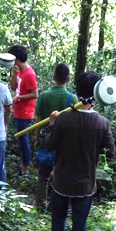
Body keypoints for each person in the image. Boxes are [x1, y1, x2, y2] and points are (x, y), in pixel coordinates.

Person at [45, 71, 115, 231]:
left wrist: (51, 125)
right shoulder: (102, 123)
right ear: (98, 93)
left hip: (62, 180)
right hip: (85, 183)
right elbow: (111, 152)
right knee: (80, 219)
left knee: (58, 215)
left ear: (76, 92)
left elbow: (49, 145)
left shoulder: (63, 119)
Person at [34, 63, 78, 210]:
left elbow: (38, 121)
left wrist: (36, 138)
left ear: (53, 77)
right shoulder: (73, 99)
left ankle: (40, 204)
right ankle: (57, 205)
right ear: (68, 79)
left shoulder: (44, 96)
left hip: (46, 140)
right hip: (64, 144)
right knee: (61, 176)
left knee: (43, 176)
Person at [8, 44, 38, 177]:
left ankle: (25, 170)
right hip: (18, 111)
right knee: (21, 141)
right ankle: (23, 167)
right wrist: (14, 74)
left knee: (23, 141)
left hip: (25, 113)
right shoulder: (19, 71)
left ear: (17, 59)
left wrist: (19, 97)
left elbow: (35, 94)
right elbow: (13, 87)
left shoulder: (29, 74)